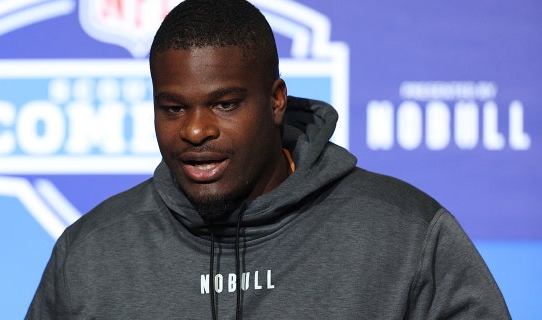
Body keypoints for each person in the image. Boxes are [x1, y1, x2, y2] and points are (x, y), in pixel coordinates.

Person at [26, 0, 511, 319]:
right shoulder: (90, 253)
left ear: (276, 100)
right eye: (173, 108)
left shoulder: (404, 234)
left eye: (225, 104)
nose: (196, 130)